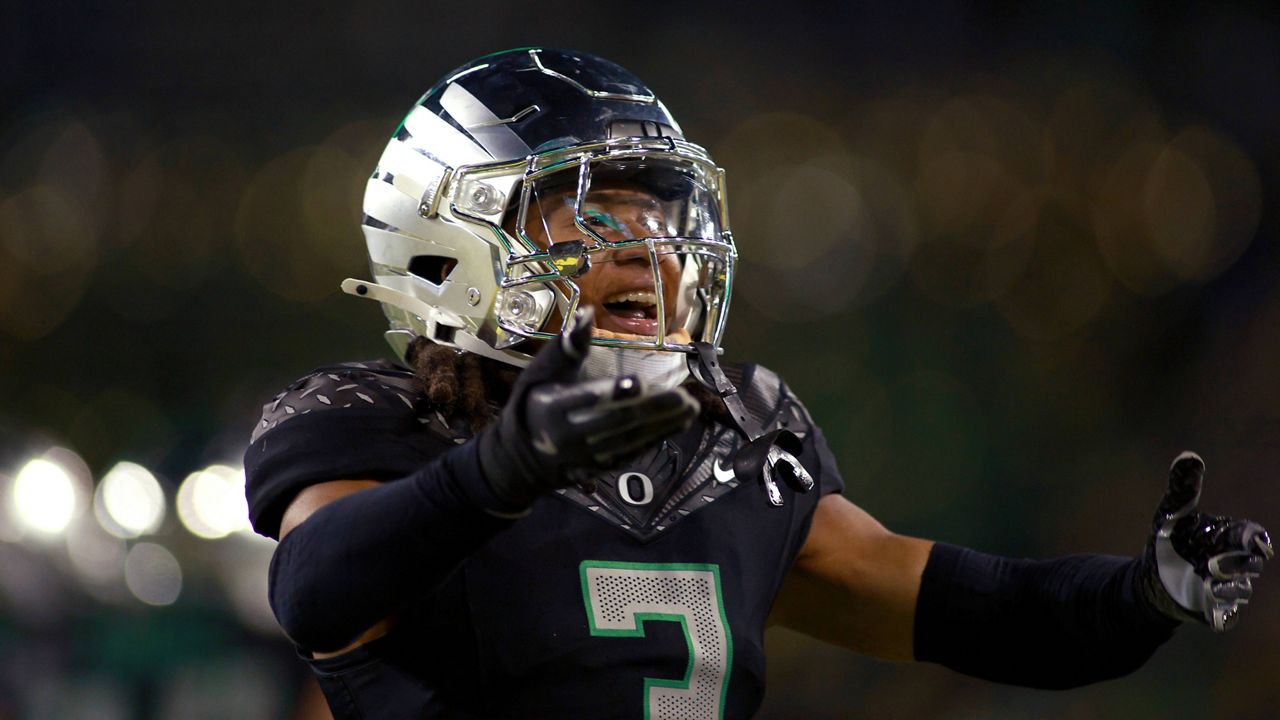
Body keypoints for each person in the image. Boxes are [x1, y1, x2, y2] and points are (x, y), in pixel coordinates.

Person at [245, 48, 1272, 719]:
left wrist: (1138, 598)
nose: (644, 247)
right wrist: (497, 474)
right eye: (585, 210)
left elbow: (972, 609)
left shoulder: (736, 435)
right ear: (443, 240)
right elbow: (316, 590)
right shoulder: (379, 420)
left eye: (658, 211)